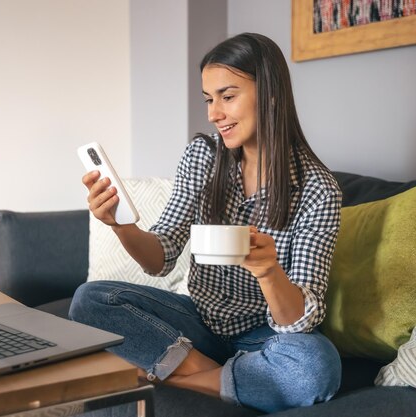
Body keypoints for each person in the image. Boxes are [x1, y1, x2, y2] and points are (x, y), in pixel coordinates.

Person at [69, 32, 342, 413]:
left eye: (227, 97)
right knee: (90, 300)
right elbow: (160, 258)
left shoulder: (317, 189)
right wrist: (120, 224)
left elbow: (300, 321)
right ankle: (225, 375)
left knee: (316, 366)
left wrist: (268, 271)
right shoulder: (203, 156)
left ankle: (170, 378)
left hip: (265, 336)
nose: (214, 113)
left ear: (271, 93)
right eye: (209, 100)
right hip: (197, 322)